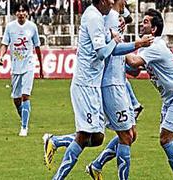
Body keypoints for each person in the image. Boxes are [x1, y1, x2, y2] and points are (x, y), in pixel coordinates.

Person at [45, 1, 153, 179]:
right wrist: (137, 44)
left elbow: (128, 19)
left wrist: (124, 23)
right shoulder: (104, 16)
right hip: (105, 84)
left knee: (100, 138)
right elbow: (107, 51)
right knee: (123, 136)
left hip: (107, 83)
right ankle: (61, 172)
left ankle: (71, 150)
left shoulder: (112, 14)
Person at [125, 9, 173, 180]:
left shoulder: (155, 46)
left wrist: (115, 46)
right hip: (169, 98)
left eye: (145, 21)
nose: (141, 24)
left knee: (165, 140)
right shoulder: (147, 47)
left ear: (153, 29)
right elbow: (135, 71)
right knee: (169, 140)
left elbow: (133, 61)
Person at [0, 2, 44, 137]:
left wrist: (41, 67)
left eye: (23, 11)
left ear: (27, 12)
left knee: (25, 95)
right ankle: (24, 117)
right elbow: (4, 44)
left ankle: (24, 127)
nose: (21, 13)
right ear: (15, 13)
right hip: (16, 66)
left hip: (29, 65)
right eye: (18, 11)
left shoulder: (32, 27)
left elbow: (37, 47)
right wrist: (1, 56)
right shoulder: (10, 27)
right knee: (16, 99)